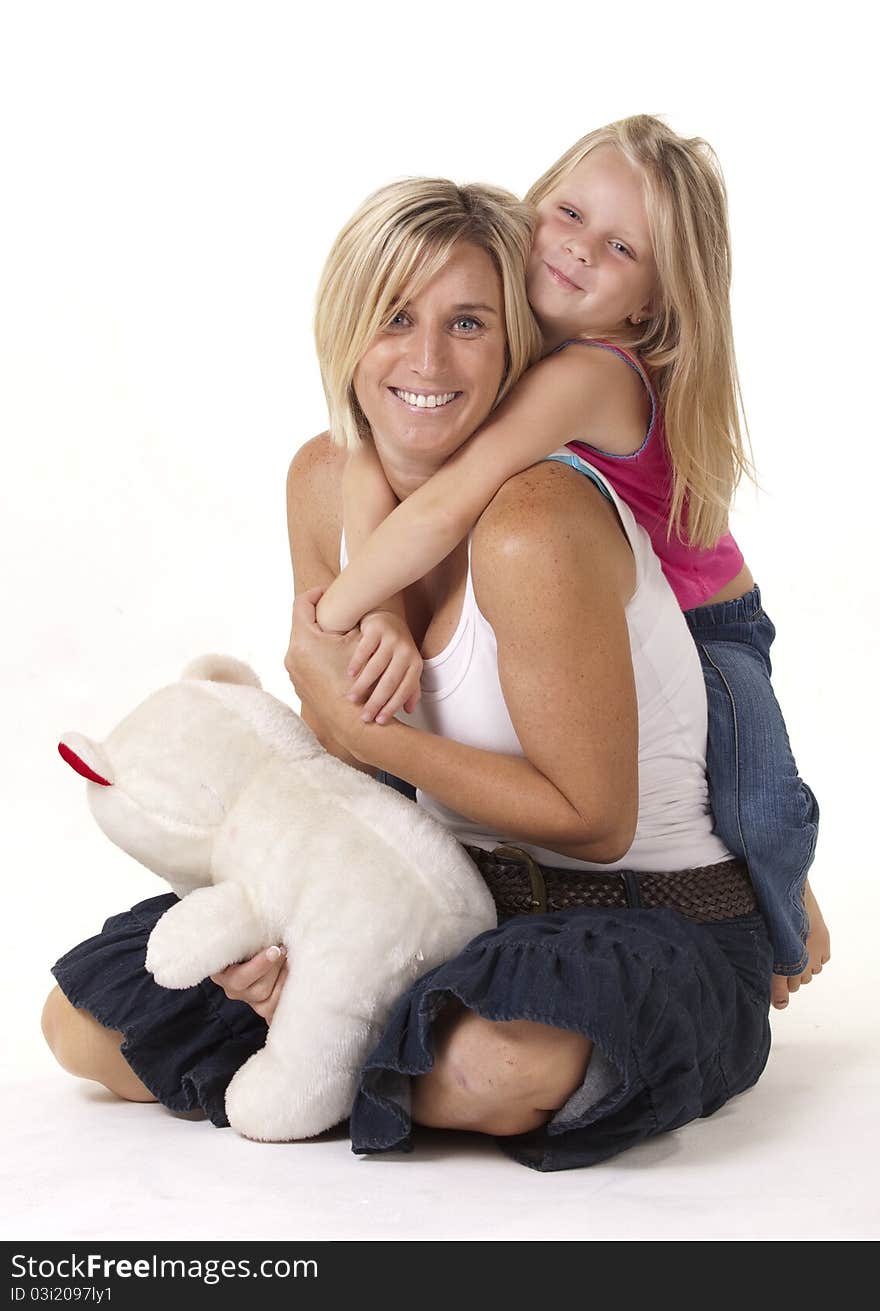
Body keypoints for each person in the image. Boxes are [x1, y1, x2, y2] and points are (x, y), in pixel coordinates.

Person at [43, 177, 771, 1171]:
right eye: (394, 317)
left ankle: (343, 1049)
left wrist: (362, 736)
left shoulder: (534, 523)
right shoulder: (320, 479)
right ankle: (348, 1037)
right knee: (81, 1026)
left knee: (490, 1067)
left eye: (467, 322)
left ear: (515, 342)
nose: (426, 360)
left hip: (636, 915)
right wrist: (294, 936)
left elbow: (591, 820)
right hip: (427, 894)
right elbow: (356, 784)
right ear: (345, 330)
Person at [310, 116, 828, 1007]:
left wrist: (331, 612)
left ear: (649, 306)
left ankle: (784, 932)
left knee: (758, 805)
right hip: (624, 600)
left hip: (711, 625)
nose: (581, 250)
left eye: (621, 246)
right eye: (571, 214)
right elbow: (363, 455)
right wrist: (384, 616)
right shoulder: (507, 327)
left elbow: (444, 501)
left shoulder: (589, 371)